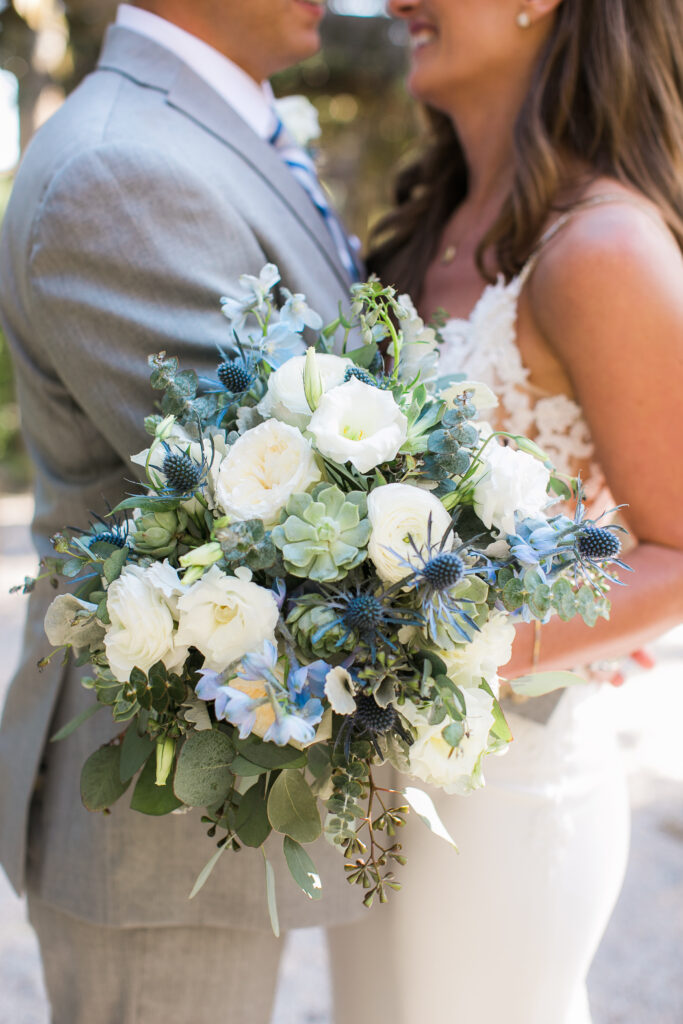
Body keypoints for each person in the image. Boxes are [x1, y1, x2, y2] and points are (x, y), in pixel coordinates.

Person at [0, 2, 363, 1022]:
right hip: (162, 807)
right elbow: (285, 505)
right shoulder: (120, 168)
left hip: (222, 794)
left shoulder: (221, 125)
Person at [328, 1, 683, 1022]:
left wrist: (444, 646)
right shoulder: (422, 237)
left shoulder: (600, 247)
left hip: (505, 797)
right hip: (377, 791)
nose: (395, 2)